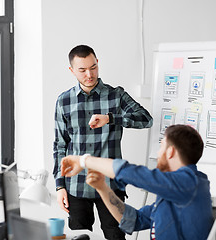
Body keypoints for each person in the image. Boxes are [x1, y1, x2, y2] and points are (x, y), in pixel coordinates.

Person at [53, 45, 153, 239]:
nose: (89, 74)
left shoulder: (116, 95)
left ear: (97, 63)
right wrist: (59, 186)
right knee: (79, 237)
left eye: (93, 67)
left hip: (110, 186)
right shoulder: (63, 101)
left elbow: (146, 119)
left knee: (116, 237)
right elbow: (60, 146)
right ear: (72, 70)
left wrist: (111, 118)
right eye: (82, 70)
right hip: (76, 185)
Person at [61, 124, 213, 240]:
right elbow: (132, 220)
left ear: (170, 151)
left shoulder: (189, 184)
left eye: (161, 146)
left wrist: (83, 161)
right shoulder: (177, 190)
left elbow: (136, 174)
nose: (158, 153)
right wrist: (102, 188)